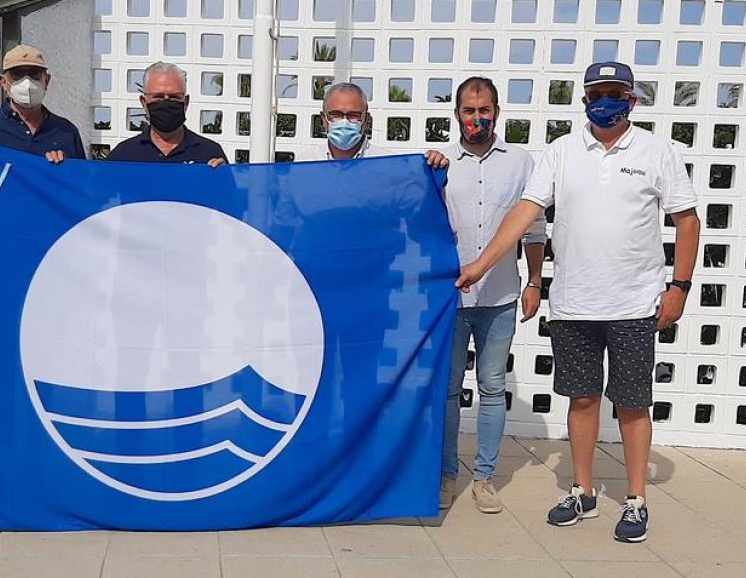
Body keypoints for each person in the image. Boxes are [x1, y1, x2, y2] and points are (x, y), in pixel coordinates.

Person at [456, 62, 700, 543]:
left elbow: (687, 221)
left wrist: (680, 287)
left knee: (631, 403)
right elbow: (525, 212)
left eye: (614, 93)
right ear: (584, 99)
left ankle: (635, 499)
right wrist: (482, 265)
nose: (604, 101)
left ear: (631, 100)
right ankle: (582, 491)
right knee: (582, 398)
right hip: (574, 303)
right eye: (596, 93)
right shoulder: (562, 152)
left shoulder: (656, 150)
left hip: (635, 303)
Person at [439, 77, 546, 514]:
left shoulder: (521, 162)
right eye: (469, 110)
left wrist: (535, 282)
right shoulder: (440, 160)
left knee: (492, 385)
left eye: (484, 110)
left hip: (501, 294)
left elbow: (535, 227)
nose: (476, 118)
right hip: (451, 297)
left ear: (497, 112)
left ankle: (484, 477)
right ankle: (446, 474)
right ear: (458, 115)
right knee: (447, 390)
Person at [0, 44, 85, 162]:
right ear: (4, 82)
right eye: (17, 74)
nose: (26, 81)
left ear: (47, 81)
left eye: (35, 73)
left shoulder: (66, 131)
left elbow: (81, 183)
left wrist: (66, 167)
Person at [296, 81, 450, 169]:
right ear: (323, 118)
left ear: (366, 120)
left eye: (353, 115)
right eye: (335, 115)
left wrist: (434, 168)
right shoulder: (303, 164)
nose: (344, 121)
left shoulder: (388, 165)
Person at [106, 62, 227, 166]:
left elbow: (230, 193)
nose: (166, 102)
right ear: (144, 102)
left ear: (186, 102)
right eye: (158, 97)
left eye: (174, 97)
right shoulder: (123, 155)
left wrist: (222, 176)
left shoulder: (210, 153)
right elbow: (98, 191)